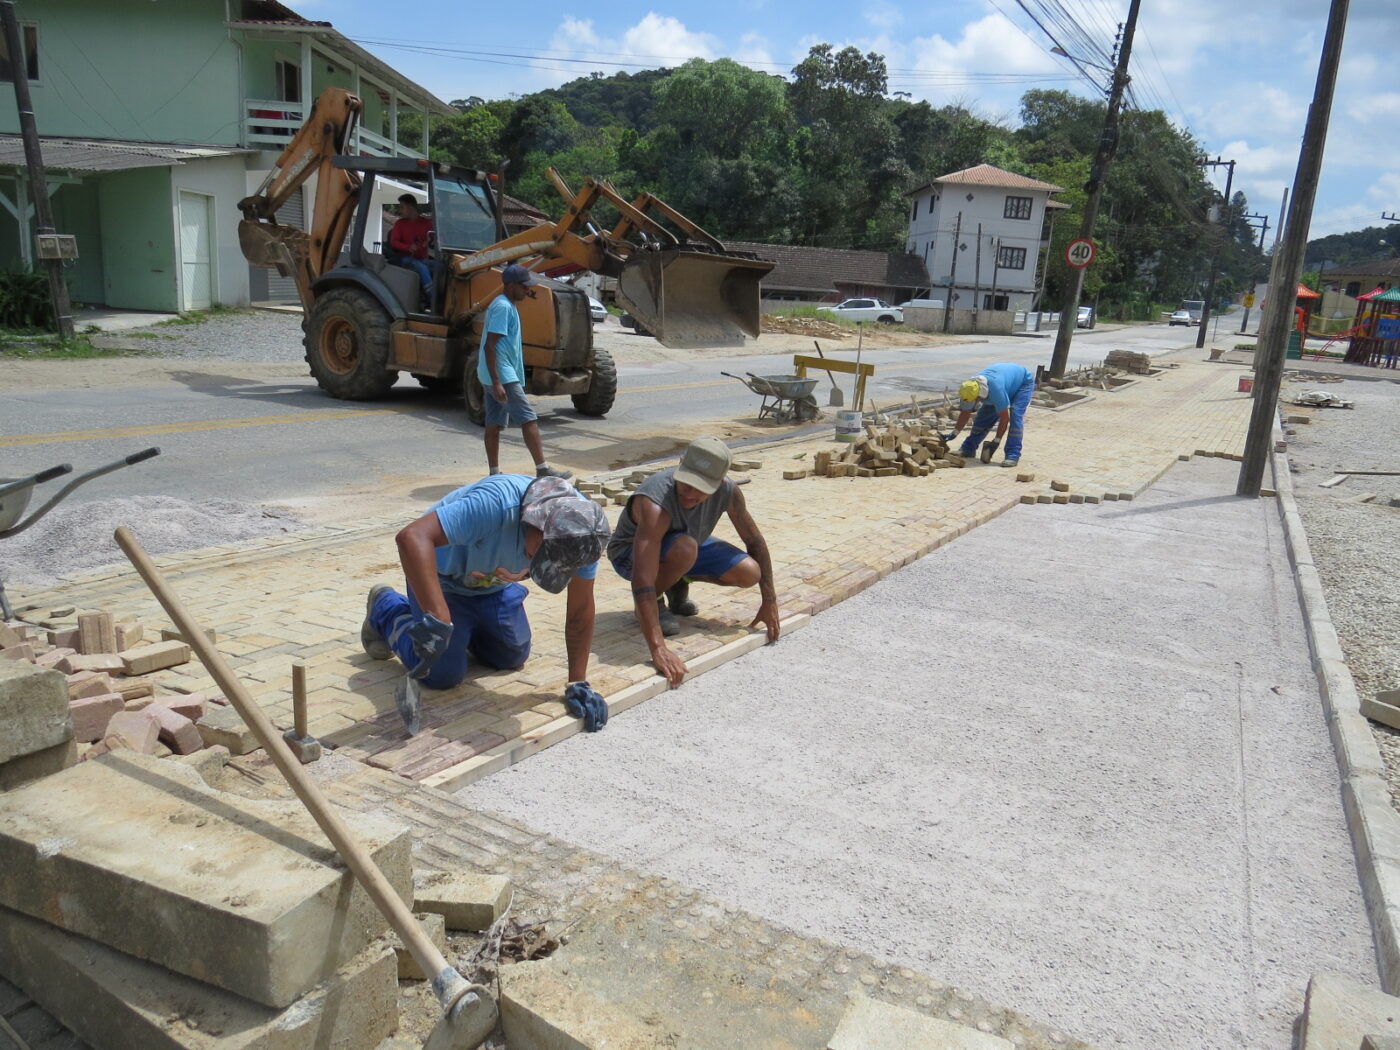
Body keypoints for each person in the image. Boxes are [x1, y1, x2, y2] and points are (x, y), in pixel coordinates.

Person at [361, 475, 613, 729]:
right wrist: (437, 613)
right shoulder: (497, 504)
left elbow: (580, 609)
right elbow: (411, 537)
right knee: (442, 674)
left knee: (511, 656)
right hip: (440, 580)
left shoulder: (583, 537)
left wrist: (578, 681)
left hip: (493, 585)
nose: (537, 563)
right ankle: (386, 607)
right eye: (538, 555)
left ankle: (469, 626)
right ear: (536, 524)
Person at [607, 436, 780, 688]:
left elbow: (755, 542)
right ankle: (657, 599)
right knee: (685, 549)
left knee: (749, 573)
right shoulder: (655, 501)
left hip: (683, 547)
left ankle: (677, 578)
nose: (690, 494)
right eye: (686, 484)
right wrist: (658, 648)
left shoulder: (729, 492)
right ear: (680, 467)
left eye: (701, 488)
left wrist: (770, 600)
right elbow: (643, 576)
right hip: (630, 556)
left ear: (719, 482)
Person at [478, 263, 571, 480]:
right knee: (528, 419)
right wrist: (498, 381)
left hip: (492, 373)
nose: (527, 290)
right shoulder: (503, 307)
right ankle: (542, 469)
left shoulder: (504, 304)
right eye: (524, 287)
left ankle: (494, 473)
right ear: (511, 286)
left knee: (494, 423)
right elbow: (489, 345)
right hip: (501, 374)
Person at [948, 362, 1036, 468]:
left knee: (1015, 414)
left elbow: (1004, 418)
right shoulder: (969, 388)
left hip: (1023, 383)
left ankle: (1012, 455)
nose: (972, 405)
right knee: (983, 416)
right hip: (1005, 382)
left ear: (979, 396)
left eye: (974, 402)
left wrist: (996, 440)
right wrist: (954, 433)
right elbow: (965, 412)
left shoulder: (996, 391)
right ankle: (968, 449)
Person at [387, 194, 434, 302]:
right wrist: (408, 247)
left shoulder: (426, 223)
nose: (400, 210)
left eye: (402, 207)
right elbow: (394, 243)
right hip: (405, 259)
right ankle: (433, 299)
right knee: (421, 268)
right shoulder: (400, 224)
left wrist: (431, 241)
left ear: (411, 207)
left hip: (423, 259)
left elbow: (433, 238)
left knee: (441, 267)